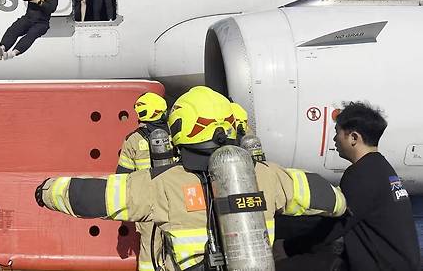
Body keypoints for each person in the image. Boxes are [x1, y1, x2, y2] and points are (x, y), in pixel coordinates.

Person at [35, 86, 346, 271]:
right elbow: (330, 199)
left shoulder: (163, 185)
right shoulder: (268, 176)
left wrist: (46, 191)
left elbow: (95, 196)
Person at [281, 102, 420, 271]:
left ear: (353, 137)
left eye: (337, 132)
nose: (334, 139)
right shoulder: (382, 168)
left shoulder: (361, 174)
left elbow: (334, 225)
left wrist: (286, 247)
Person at [116, 92, 171, 271]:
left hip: (148, 205)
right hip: (174, 200)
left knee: (149, 251)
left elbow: (122, 177)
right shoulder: (173, 136)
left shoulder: (132, 140)